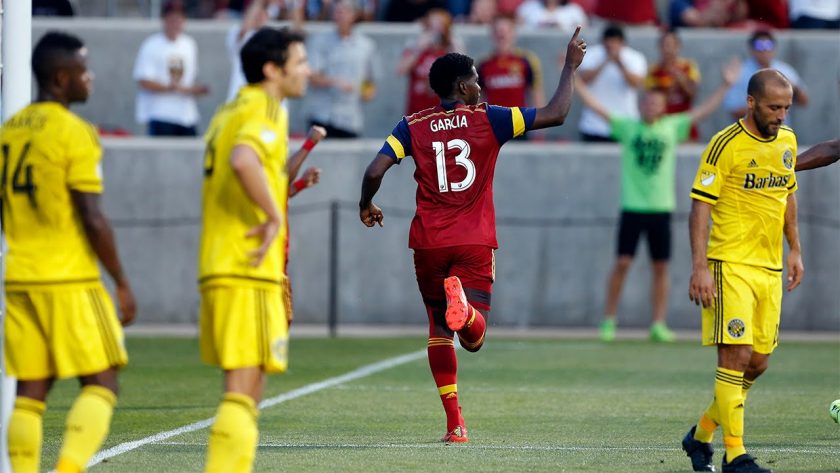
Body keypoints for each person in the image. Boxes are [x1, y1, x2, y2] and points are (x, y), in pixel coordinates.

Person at [359, 27, 587, 443]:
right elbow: (556, 113)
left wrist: (365, 205)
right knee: (473, 336)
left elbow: (375, 170)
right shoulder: (491, 118)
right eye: (477, 79)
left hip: (427, 242)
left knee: (436, 329)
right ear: (463, 87)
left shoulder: (412, 125)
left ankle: (455, 425)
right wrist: (570, 67)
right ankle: (465, 311)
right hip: (473, 240)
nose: (481, 84)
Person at [2, 31, 137, 473]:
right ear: (62, 78)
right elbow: (92, 217)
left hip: (21, 275)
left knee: (31, 391)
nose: (90, 77)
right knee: (102, 381)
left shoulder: (8, 133)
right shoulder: (76, 132)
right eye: (84, 69)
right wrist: (120, 280)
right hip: (69, 278)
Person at [198, 26, 310, 472]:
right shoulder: (266, 107)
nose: (306, 70)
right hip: (245, 264)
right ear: (272, 69)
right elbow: (243, 159)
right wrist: (273, 216)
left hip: (222, 260)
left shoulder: (228, 111)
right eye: (299, 61)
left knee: (248, 388)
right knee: (243, 390)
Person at [682, 69, 803, 473]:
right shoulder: (724, 144)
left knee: (759, 362)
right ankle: (736, 455)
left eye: (785, 107)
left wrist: (796, 249)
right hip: (728, 264)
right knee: (734, 357)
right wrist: (699, 266)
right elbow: (701, 205)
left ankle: (700, 435)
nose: (781, 115)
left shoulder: (787, 141)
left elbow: (786, 196)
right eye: (773, 107)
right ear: (751, 103)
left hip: (769, 268)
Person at [577, 59, 739, 343]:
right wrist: (573, 79)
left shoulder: (672, 127)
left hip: (661, 209)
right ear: (641, 105)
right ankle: (609, 320)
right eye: (648, 102)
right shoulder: (628, 128)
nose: (652, 107)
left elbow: (703, 111)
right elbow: (596, 107)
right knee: (623, 263)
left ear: (663, 107)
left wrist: (726, 84)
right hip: (632, 208)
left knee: (661, 267)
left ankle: (658, 323)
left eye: (656, 103)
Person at [133, 0, 209, 136]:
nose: (176, 23)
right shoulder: (151, 44)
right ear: (164, 20)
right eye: (172, 19)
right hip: (161, 113)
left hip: (187, 116)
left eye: (179, 19)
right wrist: (171, 88)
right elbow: (143, 80)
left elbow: (190, 79)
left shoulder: (189, 44)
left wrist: (196, 90)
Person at [306, 0, 380, 138]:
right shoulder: (320, 41)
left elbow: (370, 80)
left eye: (343, 11)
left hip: (351, 119)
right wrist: (336, 82)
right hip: (323, 115)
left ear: (354, 15)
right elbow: (312, 76)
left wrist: (368, 92)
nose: (338, 16)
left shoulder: (366, 45)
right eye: (336, 11)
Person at [577, 24, 646, 142]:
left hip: (626, 124)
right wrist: (605, 61)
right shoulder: (590, 54)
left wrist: (619, 63)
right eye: (609, 43)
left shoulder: (635, 57)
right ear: (603, 42)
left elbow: (636, 84)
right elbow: (582, 80)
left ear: (622, 43)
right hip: (593, 125)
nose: (612, 47)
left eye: (616, 43)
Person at [723, 30, 808, 123]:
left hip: (781, 132)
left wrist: (794, 88)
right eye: (759, 46)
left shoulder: (785, 70)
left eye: (768, 45)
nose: (764, 50)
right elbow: (734, 110)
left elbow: (804, 102)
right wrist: (770, 108)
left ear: (774, 48)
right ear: (751, 49)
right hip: (750, 133)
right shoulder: (740, 72)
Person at [396, 9, 464, 115]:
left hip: (444, 117)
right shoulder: (416, 49)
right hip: (417, 115)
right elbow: (400, 70)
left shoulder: (450, 52)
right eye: (432, 26)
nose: (435, 31)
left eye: (440, 26)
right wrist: (418, 49)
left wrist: (456, 46)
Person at [477, 16, 545, 111]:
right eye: (498, 32)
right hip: (493, 123)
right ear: (492, 35)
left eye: (506, 31)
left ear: (514, 34)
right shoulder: (483, 65)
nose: (502, 35)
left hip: (520, 122)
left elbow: (536, 94)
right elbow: (479, 99)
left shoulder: (527, 61)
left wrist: (540, 122)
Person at [645, 28, 701, 141]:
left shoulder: (688, 67)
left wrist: (681, 79)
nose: (668, 49)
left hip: (684, 123)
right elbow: (652, 99)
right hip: (662, 126)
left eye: (671, 45)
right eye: (665, 45)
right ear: (659, 47)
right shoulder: (653, 71)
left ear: (678, 46)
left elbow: (693, 94)